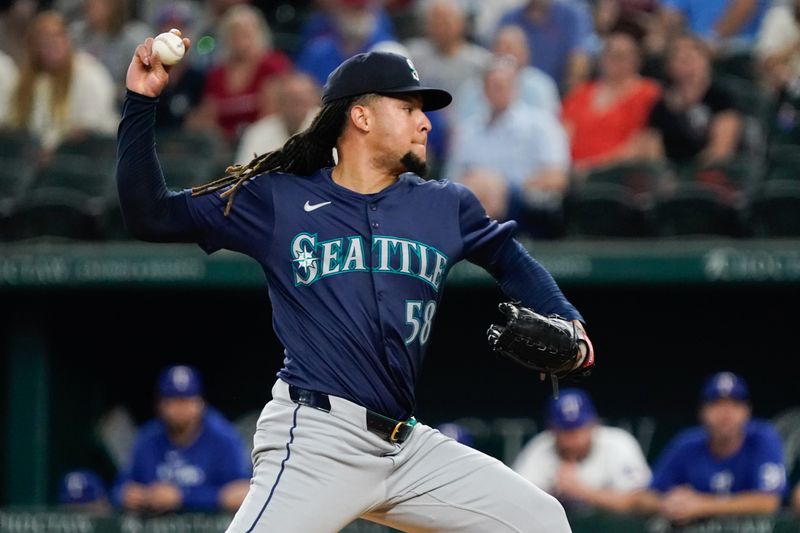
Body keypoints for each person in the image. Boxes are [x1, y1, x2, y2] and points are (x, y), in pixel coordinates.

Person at [118, 28, 594, 530]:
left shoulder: (445, 205)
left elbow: (509, 258)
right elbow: (151, 215)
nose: (425, 123)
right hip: (317, 439)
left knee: (541, 520)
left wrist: (569, 321)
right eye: (408, 109)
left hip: (405, 448)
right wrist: (141, 103)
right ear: (361, 116)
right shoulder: (278, 199)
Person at [631, 372, 786, 526]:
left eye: (735, 404)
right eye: (717, 404)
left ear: (747, 410)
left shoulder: (763, 437)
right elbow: (645, 498)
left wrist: (702, 505)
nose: (726, 413)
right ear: (702, 412)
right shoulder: (688, 443)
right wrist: (669, 504)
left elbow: (769, 502)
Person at [446, 56, 570, 238]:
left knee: (488, 187)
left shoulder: (541, 124)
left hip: (524, 203)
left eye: (503, 85)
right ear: (483, 91)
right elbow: (451, 179)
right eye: (492, 86)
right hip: (475, 200)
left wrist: (503, 186)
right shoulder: (468, 130)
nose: (497, 91)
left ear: (516, 88)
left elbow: (558, 177)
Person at [112, 365, 251, 514]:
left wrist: (182, 496)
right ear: (160, 404)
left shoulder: (224, 438)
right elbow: (117, 489)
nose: (180, 408)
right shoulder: (148, 438)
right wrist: (126, 496)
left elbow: (243, 493)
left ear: (200, 403)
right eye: (173, 400)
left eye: (186, 400)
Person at [513, 388, 652, 513]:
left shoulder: (618, 443)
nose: (574, 439)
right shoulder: (541, 447)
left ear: (594, 423)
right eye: (566, 431)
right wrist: (552, 493)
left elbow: (641, 501)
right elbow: (516, 502)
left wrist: (581, 490)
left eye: (579, 429)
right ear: (552, 429)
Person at [3, 10, 118, 157]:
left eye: (56, 37)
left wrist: (55, 148)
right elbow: (14, 122)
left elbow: (90, 128)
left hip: (89, 155)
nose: (51, 45)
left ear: (67, 40)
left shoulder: (88, 72)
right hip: (39, 157)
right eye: (43, 41)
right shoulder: (28, 80)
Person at [561, 30, 661, 172]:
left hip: (621, 174)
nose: (615, 61)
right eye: (609, 54)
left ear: (637, 59)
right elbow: (564, 134)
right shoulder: (580, 93)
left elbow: (645, 142)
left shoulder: (649, 93)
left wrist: (593, 168)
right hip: (574, 172)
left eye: (622, 56)